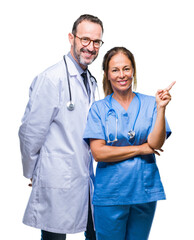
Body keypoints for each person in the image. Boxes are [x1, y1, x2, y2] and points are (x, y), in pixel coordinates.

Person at [18, 14, 104, 240]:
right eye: (85, 39)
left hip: (85, 177)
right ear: (71, 38)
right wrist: (33, 172)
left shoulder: (90, 80)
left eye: (96, 42)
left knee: (96, 233)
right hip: (56, 178)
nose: (90, 47)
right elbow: (30, 133)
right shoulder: (51, 78)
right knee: (54, 236)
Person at [83, 47, 175, 240]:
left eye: (126, 68)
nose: (121, 75)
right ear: (107, 75)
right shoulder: (99, 109)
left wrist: (160, 109)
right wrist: (141, 149)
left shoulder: (151, 103)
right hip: (110, 194)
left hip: (144, 192)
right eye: (115, 70)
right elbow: (99, 153)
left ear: (133, 71)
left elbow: (155, 143)